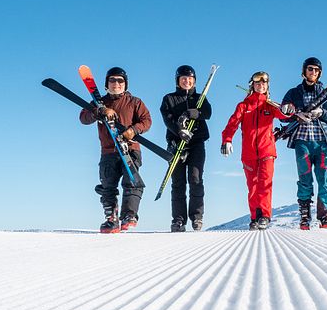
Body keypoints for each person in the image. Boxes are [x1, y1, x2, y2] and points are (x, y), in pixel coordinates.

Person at [79, 67, 152, 233]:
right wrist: (99, 112)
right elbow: (83, 117)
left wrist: (133, 130)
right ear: (107, 84)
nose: (116, 84)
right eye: (112, 80)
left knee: (131, 182)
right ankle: (111, 219)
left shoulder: (135, 102)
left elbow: (147, 120)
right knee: (108, 186)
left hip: (130, 149)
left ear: (125, 84)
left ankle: (129, 215)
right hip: (108, 151)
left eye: (120, 81)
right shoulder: (99, 103)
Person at [221, 71, 290, 230]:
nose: (261, 86)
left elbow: (283, 115)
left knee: (264, 184)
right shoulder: (243, 106)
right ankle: (255, 217)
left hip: (267, 152)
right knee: (252, 186)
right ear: (252, 85)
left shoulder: (270, 105)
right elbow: (232, 124)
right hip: (249, 153)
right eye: (258, 83)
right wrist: (227, 140)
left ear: (267, 86)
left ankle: (265, 216)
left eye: (264, 84)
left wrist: (288, 110)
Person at [280, 57, 327, 230]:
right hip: (302, 141)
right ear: (304, 71)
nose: (313, 72)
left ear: (319, 73)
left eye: (316, 70)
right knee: (304, 177)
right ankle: (305, 214)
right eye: (310, 69)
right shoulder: (294, 92)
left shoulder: (326, 94)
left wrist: (322, 113)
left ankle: (325, 214)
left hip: (322, 142)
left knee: (325, 177)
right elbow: (284, 114)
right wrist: (290, 113)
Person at [160, 65, 212, 232]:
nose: (187, 81)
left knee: (195, 179)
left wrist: (191, 113)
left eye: (190, 79)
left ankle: (197, 217)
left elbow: (207, 112)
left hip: (196, 143)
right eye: (183, 78)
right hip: (176, 144)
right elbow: (167, 118)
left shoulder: (200, 98)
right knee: (178, 182)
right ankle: (178, 219)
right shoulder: (169, 98)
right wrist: (179, 130)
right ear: (177, 81)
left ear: (194, 81)